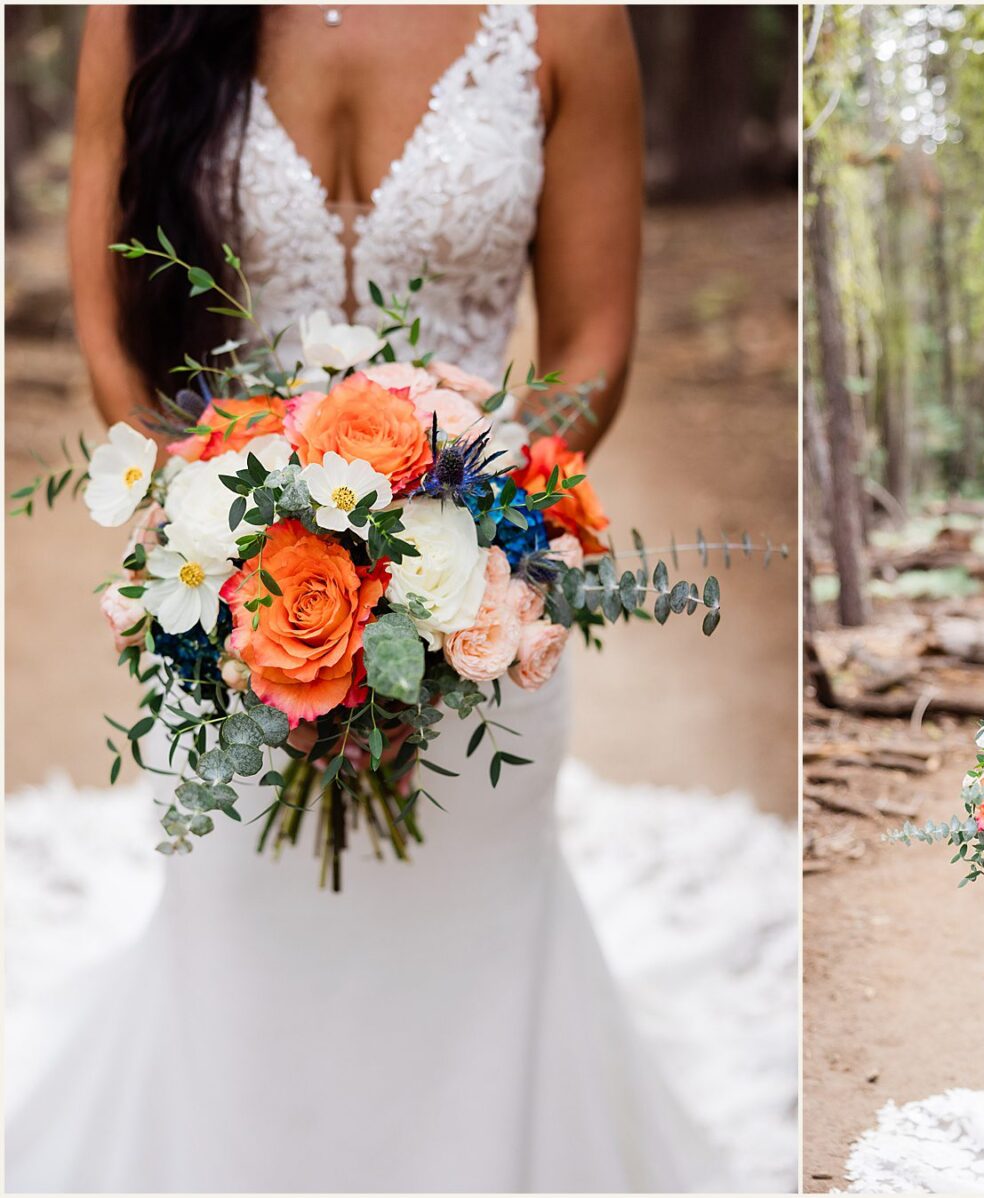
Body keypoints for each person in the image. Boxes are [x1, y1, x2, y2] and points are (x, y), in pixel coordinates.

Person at [9, 6, 729, 1190]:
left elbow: (593, 340)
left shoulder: (568, 21)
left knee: (468, 954)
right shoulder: (140, 14)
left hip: (479, 598)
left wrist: (471, 521)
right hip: (229, 614)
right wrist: (225, 523)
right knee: (238, 937)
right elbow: (109, 323)